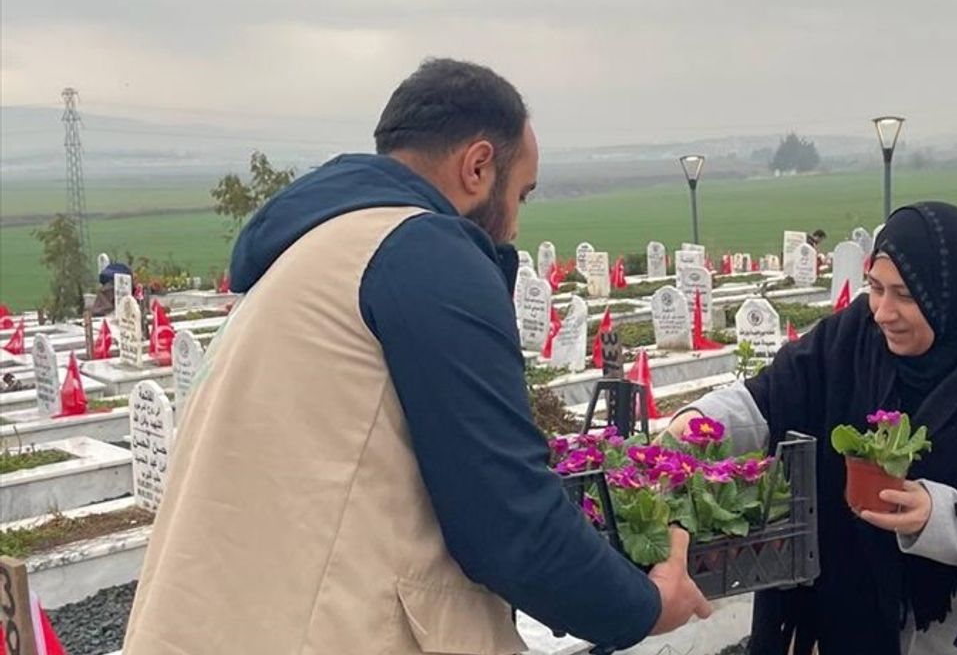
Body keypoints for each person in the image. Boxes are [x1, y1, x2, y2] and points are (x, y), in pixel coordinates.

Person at [124, 59, 710, 654]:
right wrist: (643, 606)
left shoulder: (314, 247)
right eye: (521, 194)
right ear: (478, 167)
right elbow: (506, 519)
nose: (512, 227)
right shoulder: (425, 253)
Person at [669, 202, 957, 654]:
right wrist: (698, 424)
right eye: (875, 287)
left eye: (905, 295)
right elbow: (771, 396)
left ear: (953, 298)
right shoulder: (850, 340)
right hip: (855, 611)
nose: (883, 312)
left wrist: (939, 513)